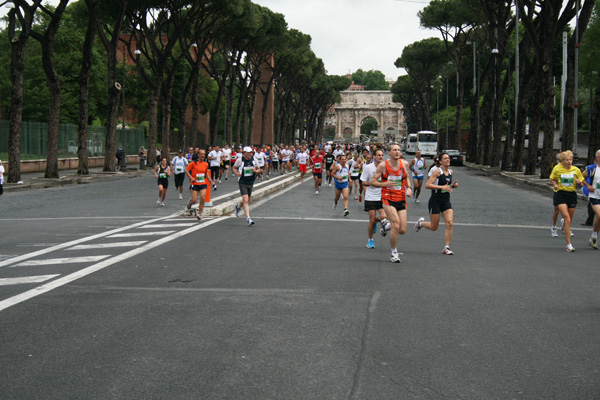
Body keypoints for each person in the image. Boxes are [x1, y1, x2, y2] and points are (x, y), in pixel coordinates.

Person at [371, 143, 412, 263]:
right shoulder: (383, 166)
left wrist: (409, 188)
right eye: (394, 150)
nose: (397, 152)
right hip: (387, 199)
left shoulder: (404, 164)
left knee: (403, 229)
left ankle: (386, 226)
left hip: (401, 198)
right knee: (396, 223)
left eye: (399, 150)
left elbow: (406, 177)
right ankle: (394, 253)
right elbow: (373, 181)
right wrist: (385, 184)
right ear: (388, 152)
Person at [414, 152, 459, 255]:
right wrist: (441, 187)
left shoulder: (450, 172)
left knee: (450, 223)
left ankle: (446, 247)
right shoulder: (438, 172)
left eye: (448, 158)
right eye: (445, 158)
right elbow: (427, 185)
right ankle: (420, 223)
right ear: (440, 161)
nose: (448, 160)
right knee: (434, 227)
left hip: (446, 201)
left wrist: (453, 186)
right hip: (435, 200)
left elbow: (447, 186)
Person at [549, 150, 584, 252]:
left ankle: (564, 225)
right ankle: (569, 245)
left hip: (571, 195)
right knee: (567, 218)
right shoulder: (557, 169)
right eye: (567, 160)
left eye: (570, 160)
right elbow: (552, 178)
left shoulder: (576, 170)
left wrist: (579, 183)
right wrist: (555, 184)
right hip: (560, 194)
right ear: (562, 161)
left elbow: (581, 182)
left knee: (569, 220)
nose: (569, 162)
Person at [360, 148, 390, 249]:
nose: (381, 157)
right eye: (378, 155)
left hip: (382, 196)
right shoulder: (368, 168)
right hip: (371, 196)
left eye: (382, 155)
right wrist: (372, 183)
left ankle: (377, 222)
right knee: (371, 220)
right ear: (374, 157)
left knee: (384, 216)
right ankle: (370, 240)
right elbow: (363, 182)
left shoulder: (386, 168)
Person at [233, 147, 263, 226]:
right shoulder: (240, 160)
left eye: (251, 152)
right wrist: (237, 173)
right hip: (242, 181)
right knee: (245, 200)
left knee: (246, 199)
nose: (249, 154)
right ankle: (248, 218)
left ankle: (238, 207)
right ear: (244, 153)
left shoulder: (254, 160)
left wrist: (256, 171)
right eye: (248, 152)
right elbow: (234, 167)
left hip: (251, 181)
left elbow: (259, 169)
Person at [185, 151, 211, 221]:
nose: (203, 156)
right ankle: (190, 202)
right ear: (198, 155)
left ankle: (199, 214)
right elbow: (186, 170)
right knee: (194, 200)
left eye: (204, 154)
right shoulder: (193, 163)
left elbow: (205, 173)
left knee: (202, 198)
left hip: (203, 183)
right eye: (201, 154)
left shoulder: (206, 164)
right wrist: (191, 177)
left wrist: (209, 179)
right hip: (194, 184)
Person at [582, 149, 600, 249]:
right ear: (597, 158)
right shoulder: (592, 168)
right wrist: (588, 186)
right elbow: (581, 176)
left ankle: (594, 237)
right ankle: (594, 235)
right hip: (594, 196)